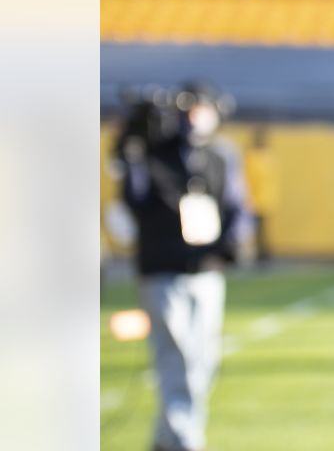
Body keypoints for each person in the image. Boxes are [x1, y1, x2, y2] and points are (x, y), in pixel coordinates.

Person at [115, 80, 250, 451]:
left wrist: (232, 244)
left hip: (207, 272)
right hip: (162, 269)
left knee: (203, 361)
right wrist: (132, 145)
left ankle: (166, 439)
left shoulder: (221, 156)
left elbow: (237, 205)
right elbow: (133, 197)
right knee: (177, 358)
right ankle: (184, 441)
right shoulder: (154, 154)